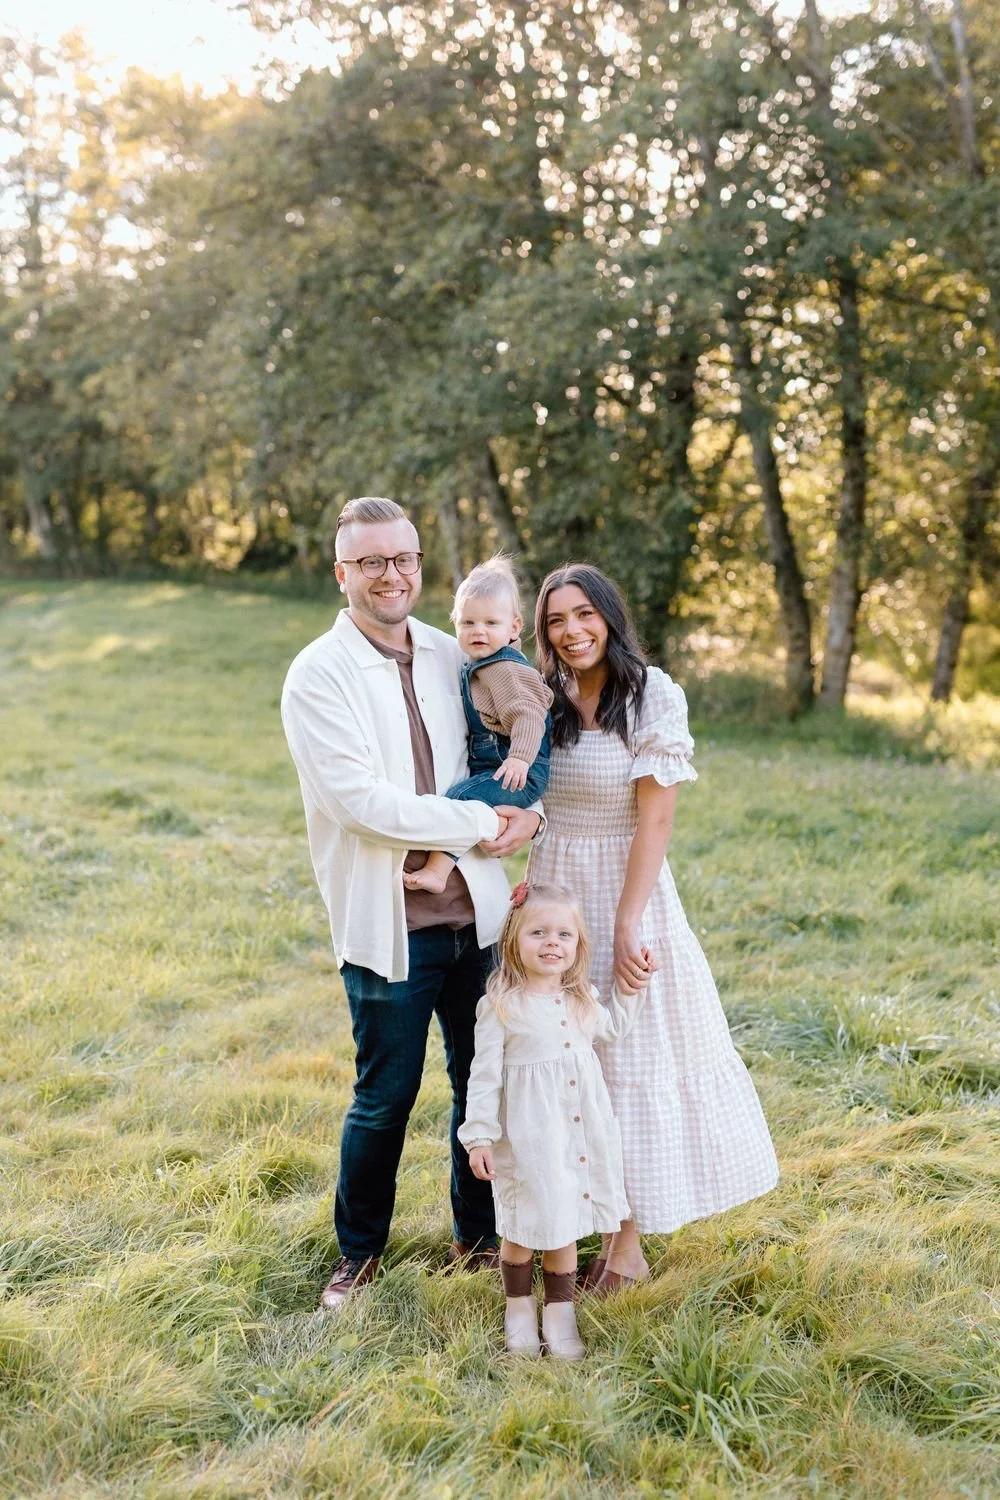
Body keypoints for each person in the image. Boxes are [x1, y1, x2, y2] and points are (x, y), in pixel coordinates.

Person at [280, 497, 542, 1314]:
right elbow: (362, 802)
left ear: (419, 565)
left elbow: (501, 751)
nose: (391, 575)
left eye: (403, 560)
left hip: (475, 914)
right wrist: (480, 821)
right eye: (371, 562)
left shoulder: (451, 653)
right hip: (387, 921)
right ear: (342, 573)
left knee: (483, 1086)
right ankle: (358, 1255)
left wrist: (527, 811)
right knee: (384, 1096)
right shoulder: (316, 674)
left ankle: (476, 1240)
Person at [529, 563, 778, 1295]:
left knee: (623, 1060)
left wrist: (628, 918)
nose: (572, 632)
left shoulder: (650, 694)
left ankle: (626, 1242)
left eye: (584, 615)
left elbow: (657, 816)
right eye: (555, 620)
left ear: (609, 615)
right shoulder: (542, 696)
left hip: (624, 888)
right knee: (559, 1057)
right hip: (554, 894)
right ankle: (562, 1220)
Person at [458, 882, 650, 1358]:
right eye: (538, 932)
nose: (552, 942)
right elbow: (481, 1079)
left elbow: (616, 1028)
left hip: (576, 1133)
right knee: (523, 1226)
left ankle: (559, 1313)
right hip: (527, 1137)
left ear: (577, 946)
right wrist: (478, 1136)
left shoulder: (580, 1000)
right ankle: (519, 1306)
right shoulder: (500, 1007)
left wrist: (630, 990)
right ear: (513, 943)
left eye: (564, 934)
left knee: (564, 1220)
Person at [403, 557, 553, 896]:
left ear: (514, 628)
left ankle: (438, 870)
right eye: (468, 622)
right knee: (465, 796)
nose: (478, 631)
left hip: (519, 770)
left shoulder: (504, 670)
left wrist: (519, 759)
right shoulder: (478, 664)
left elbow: (530, 716)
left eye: (490, 622)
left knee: (462, 797)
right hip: (500, 764)